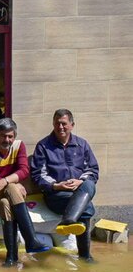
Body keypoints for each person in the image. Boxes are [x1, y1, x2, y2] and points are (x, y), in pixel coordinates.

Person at [0, 118, 50, 267]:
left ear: (14, 136)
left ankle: (11, 257)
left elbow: (24, 170)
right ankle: (30, 240)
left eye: (10, 136)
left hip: (7, 197)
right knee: (12, 188)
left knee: (6, 202)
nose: (7, 140)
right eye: (3, 136)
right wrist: (11, 182)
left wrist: (4, 182)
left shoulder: (19, 146)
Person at [31, 109, 99, 262]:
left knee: (88, 184)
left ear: (72, 125)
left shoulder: (82, 144)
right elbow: (38, 175)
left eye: (64, 124)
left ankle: (68, 219)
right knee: (87, 207)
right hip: (56, 195)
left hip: (79, 190)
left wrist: (80, 181)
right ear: (53, 125)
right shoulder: (43, 146)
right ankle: (85, 256)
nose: (60, 127)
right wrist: (57, 185)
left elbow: (92, 170)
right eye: (57, 124)